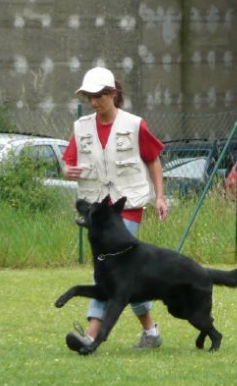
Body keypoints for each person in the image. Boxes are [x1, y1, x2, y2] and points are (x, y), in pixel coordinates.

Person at [61, 66, 169, 353]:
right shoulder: (81, 127)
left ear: (113, 94)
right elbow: (67, 160)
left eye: (98, 96)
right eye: (89, 97)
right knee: (126, 278)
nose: (93, 103)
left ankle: (91, 335)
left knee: (108, 273)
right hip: (97, 212)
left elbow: (153, 160)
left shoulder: (134, 125)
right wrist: (67, 170)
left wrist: (160, 197)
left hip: (128, 208)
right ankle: (151, 332)